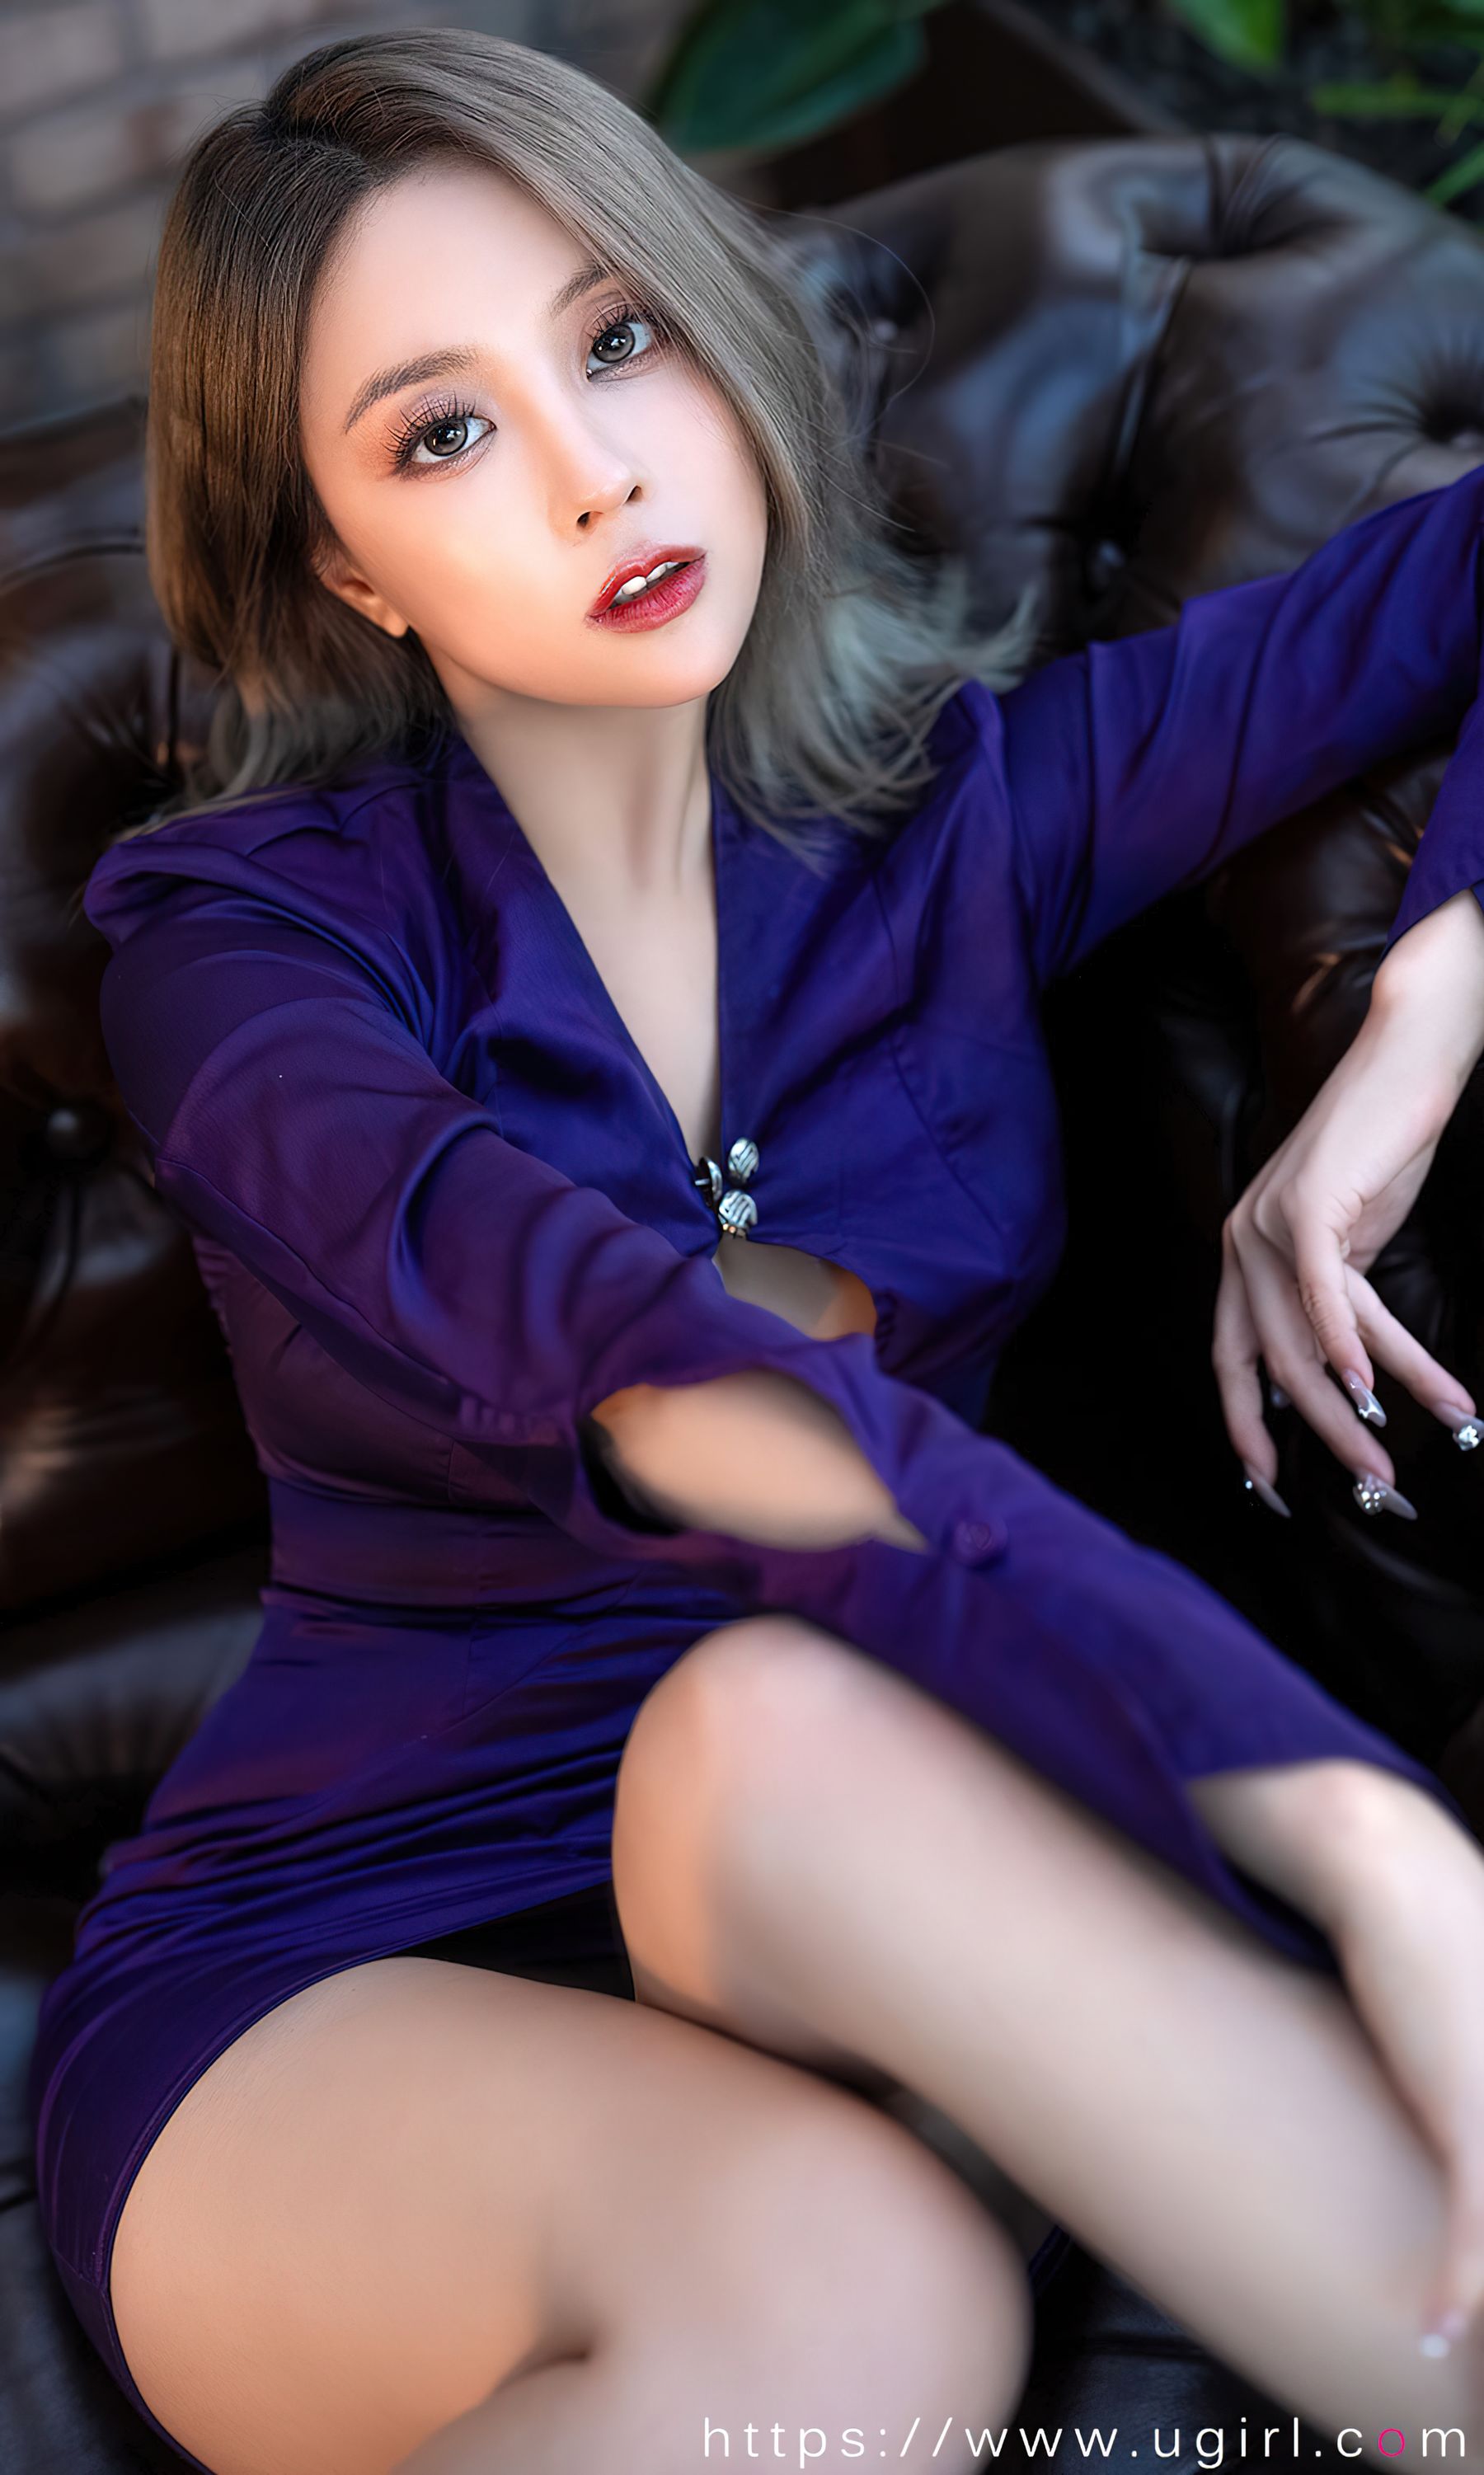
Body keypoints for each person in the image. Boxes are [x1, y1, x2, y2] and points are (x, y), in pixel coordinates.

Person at [27, 26, 1484, 2475]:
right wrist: (1357, 1829)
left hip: (834, 1847)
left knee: (787, 1722)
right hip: (347, 1967)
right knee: (863, 2294)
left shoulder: (966, 821)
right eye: (443, 431)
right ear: (346, 566)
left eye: (618, 339)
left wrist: (1435, 993)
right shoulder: (243, 953)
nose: (595, 466)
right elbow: (660, 1377)